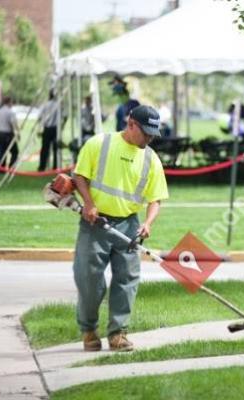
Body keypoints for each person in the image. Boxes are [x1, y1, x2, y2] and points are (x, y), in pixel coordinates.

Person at [72, 105, 169, 352]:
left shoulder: (151, 159)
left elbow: (155, 199)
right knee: (89, 280)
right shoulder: (99, 144)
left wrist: (147, 224)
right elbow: (79, 176)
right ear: (130, 124)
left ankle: (118, 333)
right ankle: (89, 329)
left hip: (129, 225)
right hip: (95, 223)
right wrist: (89, 204)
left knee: (127, 279)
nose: (149, 138)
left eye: (152, 134)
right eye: (145, 132)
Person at [37, 90, 61, 171]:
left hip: (46, 128)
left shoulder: (44, 105)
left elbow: (39, 117)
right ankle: (55, 166)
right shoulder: (58, 105)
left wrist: (40, 127)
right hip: (55, 129)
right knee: (55, 148)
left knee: (44, 149)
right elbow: (63, 117)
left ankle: (42, 166)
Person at [0, 96, 20, 168]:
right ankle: (11, 166)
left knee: (2, 152)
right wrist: (17, 133)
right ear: (8, 102)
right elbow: (13, 124)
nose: (12, 104)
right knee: (15, 152)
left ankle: (1, 168)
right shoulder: (10, 112)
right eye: (11, 102)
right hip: (7, 134)